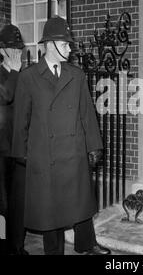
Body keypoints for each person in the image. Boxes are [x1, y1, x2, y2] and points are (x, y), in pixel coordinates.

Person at [11, 15, 111, 255]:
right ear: (50, 45)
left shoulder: (76, 75)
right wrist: (23, 155)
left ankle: (86, 244)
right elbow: (20, 122)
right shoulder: (28, 77)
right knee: (51, 213)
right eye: (65, 43)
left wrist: (93, 146)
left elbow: (87, 113)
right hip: (45, 156)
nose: (70, 47)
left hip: (74, 152)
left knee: (80, 202)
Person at [0, 24, 28, 255]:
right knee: (2, 205)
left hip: (18, 148)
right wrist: (14, 71)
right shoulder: (8, 74)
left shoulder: (22, 74)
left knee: (19, 203)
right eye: (12, 48)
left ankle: (17, 247)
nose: (17, 53)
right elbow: (6, 95)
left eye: (18, 48)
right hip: (0, 149)